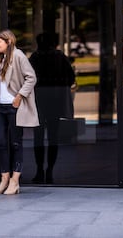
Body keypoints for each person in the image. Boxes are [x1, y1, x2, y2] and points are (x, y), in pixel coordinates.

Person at [0, 29, 39, 195]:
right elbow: (2, 82)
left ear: (8, 42)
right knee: (0, 142)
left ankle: (15, 181)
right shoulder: (1, 59)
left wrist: (19, 96)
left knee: (16, 144)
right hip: (0, 108)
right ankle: (4, 179)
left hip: (13, 107)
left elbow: (31, 77)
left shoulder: (18, 56)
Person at [29, 32, 75, 184]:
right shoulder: (60, 56)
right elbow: (71, 77)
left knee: (38, 138)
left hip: (38, 101)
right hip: (55, 101)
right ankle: (50, 171)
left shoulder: (35, 57)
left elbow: (27, 77)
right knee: (53, 137)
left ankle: (39, 170)